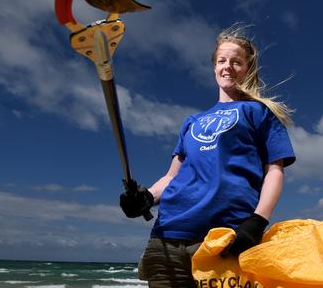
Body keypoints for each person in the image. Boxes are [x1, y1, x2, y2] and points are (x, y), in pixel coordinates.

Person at [119, 25, 296, 287]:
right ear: (214, 67)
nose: (228, 67)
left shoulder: (259, 113)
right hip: (166, 237)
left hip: (223, 239)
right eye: (222, 61)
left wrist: (257, 222)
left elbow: (275, 171)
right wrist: (146, 198)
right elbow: (172, 176)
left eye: (237, 62)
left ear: (248, 69)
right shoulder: (192, 121)